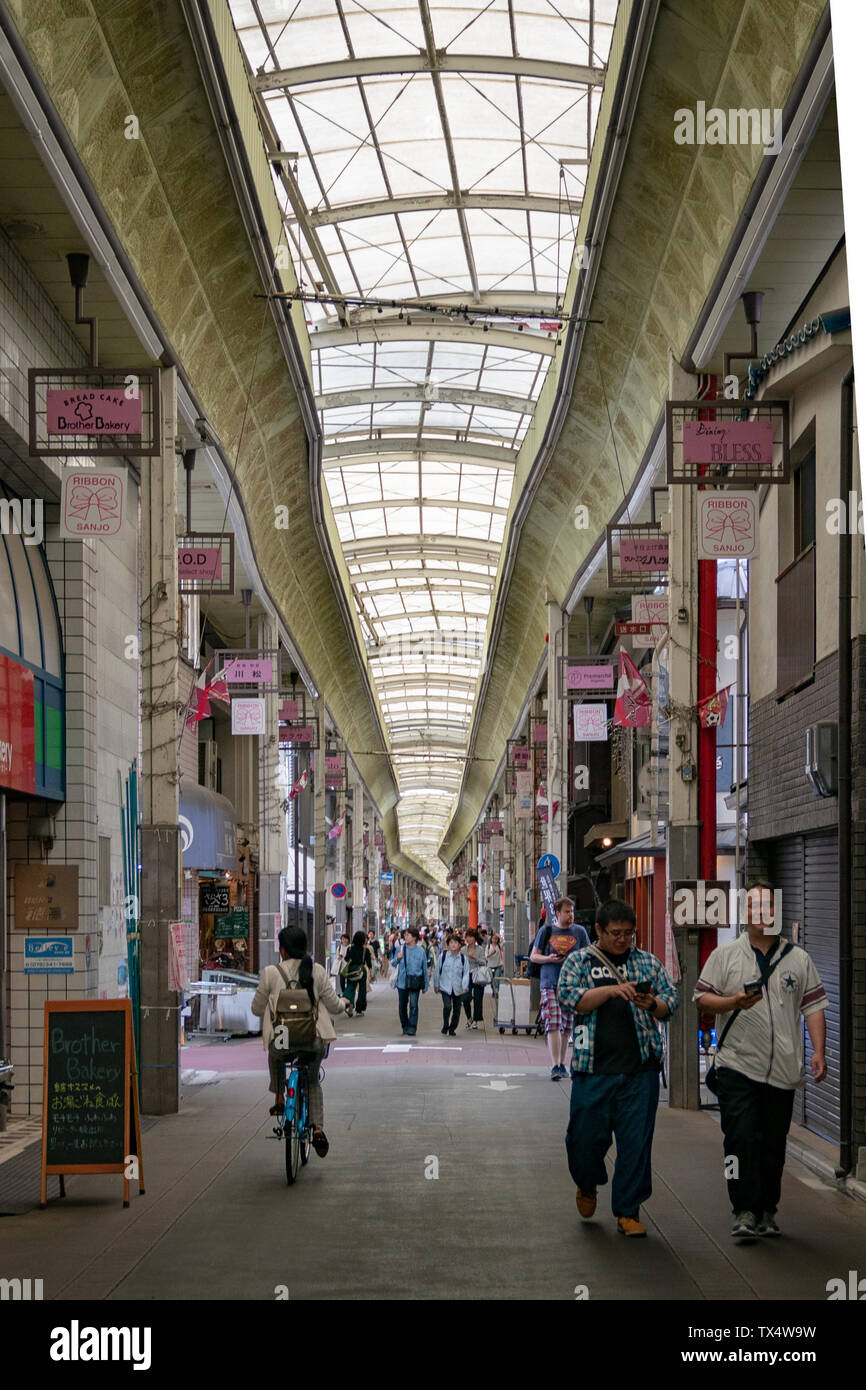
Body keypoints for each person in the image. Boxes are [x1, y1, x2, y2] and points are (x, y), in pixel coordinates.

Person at [693, 881, 828, 1240]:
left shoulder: (798, 959)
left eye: (767, 906)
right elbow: (701, 1000)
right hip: (736, 1065)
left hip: (783, 1070)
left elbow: (813, 1007)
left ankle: (768, 1209)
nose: (761, 913)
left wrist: (818, 1051)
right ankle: (743, 1209)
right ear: (744, 912)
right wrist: (733, 1002)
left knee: (773, 1144)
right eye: (753, 907)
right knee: (739, 1139)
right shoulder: (726, 956)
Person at [557, 899, 678, 1237]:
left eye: (629, 933)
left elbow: (671, 1002)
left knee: (636, 1143)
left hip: (640, 1070)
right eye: (615, 933)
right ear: (598, 930)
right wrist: (611, 991)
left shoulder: (648, 963)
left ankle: (628, 1210)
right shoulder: (578, 962)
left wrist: (652, 1003)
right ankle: (587, 1181)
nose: (623, 939)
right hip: (591, 1068)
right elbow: (570, 999)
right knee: (583, 1140)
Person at [251, 925, 350, 1158]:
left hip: (284, 1036)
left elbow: (256, 1009)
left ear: (283, 949)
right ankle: (317, 1129)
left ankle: (279, 1097)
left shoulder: (270, 973)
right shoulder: (316, 970)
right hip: (312, 1037)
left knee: (276, 1053)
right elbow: (335, 1006)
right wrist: (344, 1003)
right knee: (313, 1080)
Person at [530, 897, 590, 1079]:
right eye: (566, 911)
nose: (570, 915)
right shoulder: (546, 931)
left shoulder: (579, 932)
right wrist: (549, 958)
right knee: (554, 1021)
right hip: (549, 982)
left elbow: (588, 954)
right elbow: (534, 956)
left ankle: (562, 1062)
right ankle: (556, 1064)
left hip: (572, 985)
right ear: (557, 912)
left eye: (572, 911)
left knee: (567, 1025)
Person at [394, 925, 429, 1036]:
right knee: (402, 1006)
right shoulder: (400, 949)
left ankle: (412, 1027)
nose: (405, 936)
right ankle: (405, 1026)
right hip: (402, 982)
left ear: (414, 938)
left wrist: (426, 985)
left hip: (415, 982)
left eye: (408, 935)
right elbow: (393, 963)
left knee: (414, 1005)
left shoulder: (421, 951)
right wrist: (398, 958)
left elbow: (424, 968)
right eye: (405, 935)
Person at [434, 932, 471, 1035]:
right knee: (447, 1006)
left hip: (458, 988)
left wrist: (464, 986)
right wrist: (436, 985)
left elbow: (466, 974)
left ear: (459, 945)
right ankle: (445, 1025)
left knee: (457, 1009)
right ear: (448, 944)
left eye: (455, 942)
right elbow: (437, 970)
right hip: (445, 986)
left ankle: (452, 1028)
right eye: (451, 942)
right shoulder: (443, 956)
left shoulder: (463, 959)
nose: (453, 944)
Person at [341, 930, 373, 1016]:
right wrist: (371, 971)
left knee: (350, 987)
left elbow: (346, 959)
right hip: (361, 970)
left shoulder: (350, 948)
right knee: (362, 990)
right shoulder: (365, 950)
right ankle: (359, 1010)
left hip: (351, 970)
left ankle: (349, 1004)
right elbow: (369, 962)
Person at [462, 928, 488, 1029]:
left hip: (477, 975)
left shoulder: (480, 949)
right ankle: (469, 1018)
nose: (468, 939)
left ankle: (476, 1021)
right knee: (465, 998)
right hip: (466, 975)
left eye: (471, 937)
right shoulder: (463, 950)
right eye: (467, 937)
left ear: (475, 938)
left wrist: (475, 958)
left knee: (478, 999)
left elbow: (484, 962)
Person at [486, 933, 504, 997]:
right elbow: (486, 956)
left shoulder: (499, 946)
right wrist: (492, 953)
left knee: (497, 979)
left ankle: (496, 991)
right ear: (491, 939)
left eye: (496, 939)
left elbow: (504, 942)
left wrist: (499, 936)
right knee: (492, 979)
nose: (495, 940)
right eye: (493, 938)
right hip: (490, 966)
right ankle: (493, 990)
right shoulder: (488, 946)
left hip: (498, 965)